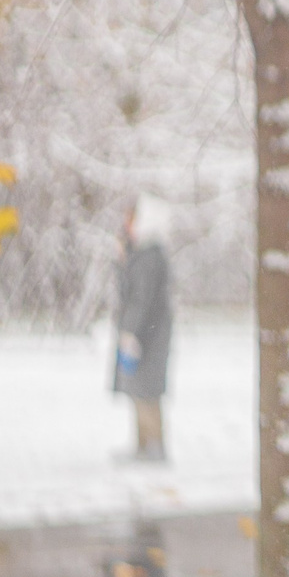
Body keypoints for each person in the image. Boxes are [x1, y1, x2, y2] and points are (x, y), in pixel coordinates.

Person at [110, 196, 174, 463]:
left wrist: (130, 332)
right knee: (139, 389)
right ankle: (142, 445)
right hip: (145, 331)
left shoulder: (149, 256)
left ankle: (154, 447)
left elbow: (141, 297)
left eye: (131, 218)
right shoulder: (142, 252)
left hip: (148, 333)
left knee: (146, 390)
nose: (126, 224)